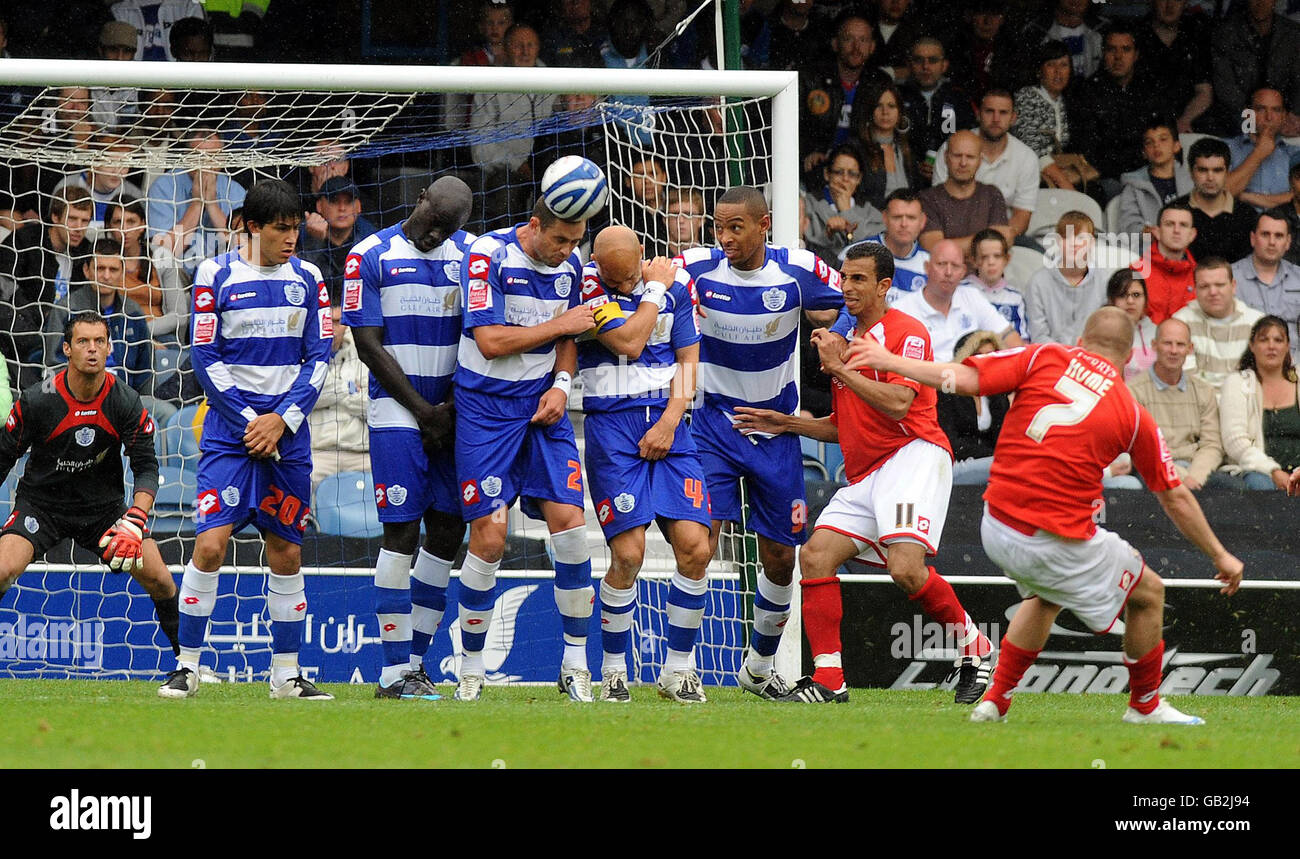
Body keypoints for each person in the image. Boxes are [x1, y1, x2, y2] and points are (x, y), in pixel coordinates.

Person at [844, 305, 1244, 725]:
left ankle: (994, 701)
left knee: (1047, 596)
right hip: (1052, 536)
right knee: (1149, 593)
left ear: (1082, 339)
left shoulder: (1045, 356)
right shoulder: (1133, 414)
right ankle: (1145, 706)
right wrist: (1220, 555)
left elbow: (966, 378)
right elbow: (1175, 498)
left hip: (996, 523)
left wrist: (890, 361)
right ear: (1129, 357)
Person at [730, 242, 995, 704]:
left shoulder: (905, 332)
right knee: (814, 556)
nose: (845, 287)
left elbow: (898, 404)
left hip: (913, 453)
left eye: (857, 279)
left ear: (884, 285)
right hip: (868, 469)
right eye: (843, 277)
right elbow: (845, 424)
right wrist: (787, 423)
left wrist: (838, 366)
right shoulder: (845, 335)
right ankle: (830, 681)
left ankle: (977, 650)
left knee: (906, 569)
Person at [159, 179, 333, 701]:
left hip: (289, 435)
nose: (292, 238)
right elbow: (205, 358)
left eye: (296, 228)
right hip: (232, 436)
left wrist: (282, 419)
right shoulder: (215, 274)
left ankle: (285, 677)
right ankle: (186, 666)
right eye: (281, 229)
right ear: (250, 227)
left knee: (285, 551)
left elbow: (318, 357)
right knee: (210, 545)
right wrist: (252, 421)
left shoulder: (310, 278)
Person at [675, 185, 845, 699]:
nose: (724, 238)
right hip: (712, 427)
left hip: (775, 430)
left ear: (764, 223)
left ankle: (757, 669)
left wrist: (839, 333)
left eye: (736, 227)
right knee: (700, 547)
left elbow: (861, 299)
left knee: (779, 558)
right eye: (718, 227)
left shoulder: (799, 271)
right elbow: (652, 283)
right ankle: (679, 670)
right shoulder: (695, 267)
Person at [452, 197, 597, 702]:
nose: (566, 251)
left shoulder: (574, 263)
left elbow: (572, 338)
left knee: (573, 530)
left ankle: (576, 664)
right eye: (559, 239)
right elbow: (489, 340)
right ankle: (471, 667)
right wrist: (562, 326)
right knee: (489, 540)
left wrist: (561, 384)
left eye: (576, 241)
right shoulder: (487, 254)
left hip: (542, 408)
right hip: (485, 410)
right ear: (534, 225)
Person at [342, 177, 474, 699]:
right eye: (431, 220)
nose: (434, 234)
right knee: (401, 533)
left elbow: (480, 336)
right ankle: (392, 670)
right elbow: (368, 345)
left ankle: (417, 666)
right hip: (398, 411)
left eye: (447, 229)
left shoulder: (469, 257)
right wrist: (424, 412)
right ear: (419, 200)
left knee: (447, 533)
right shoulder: (368, 255)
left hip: (456, 412)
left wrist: (453, 409)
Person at [0, 311, 180, 683]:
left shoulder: (125, 401)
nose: (92, 350)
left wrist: (135, 520)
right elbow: (3, 457)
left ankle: (191, 664)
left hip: (104, 513)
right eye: (83, 342)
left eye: (99, 341)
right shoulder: (38, 401)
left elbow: (147, 467)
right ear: (66, 348)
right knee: (2, 570)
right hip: (42, 507)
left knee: (161, 579)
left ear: (110, 348)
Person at [577, 226, 711, 703]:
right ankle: (614, 670)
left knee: (696, 548)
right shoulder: (589, 285)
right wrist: (653, 287)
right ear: (597, 264)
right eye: (617, 278)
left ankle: (678, 670)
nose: (624, 284)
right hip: (613, 429)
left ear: (641, 254)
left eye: (632, 274)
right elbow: (629, 344)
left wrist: (672, 421)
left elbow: (689, 361)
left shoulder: (677, 285)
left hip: (671, 426)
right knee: (629, 555)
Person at [470, 23, 556, 231]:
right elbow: (480, 146)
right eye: (518, 45)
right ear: (505, 48)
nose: (525, 51)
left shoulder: (556, 80)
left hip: (551, 168)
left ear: (538, 48)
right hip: (508, 173)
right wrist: (517, 164)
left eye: (530, 45)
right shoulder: (491, 85)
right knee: (504, 187)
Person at [1129, 317, 1231, 491]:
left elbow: (1212, 444)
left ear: (1190, 349)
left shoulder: (1203, 391)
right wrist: (1180, 477)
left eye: (1180, 345)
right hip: (1153, 470)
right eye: (1167, 343)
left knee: (1234, 487)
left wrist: (1194, 477)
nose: (1174, 351)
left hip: (1194, 470)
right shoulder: (1134, 391)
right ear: (1154, 345)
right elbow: (1141, 450)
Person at [43, 239, 152, 392]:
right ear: (87, 270)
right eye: (100, 268)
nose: (106, 276)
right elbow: (54, 365)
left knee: (165, 412)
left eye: (113, 269)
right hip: (82, 397)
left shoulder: (133, 312)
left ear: (122, 273)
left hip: (128, 401)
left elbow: (145, 372)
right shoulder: (66, 310)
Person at [932, 90, 1039, 245]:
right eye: (989, 111)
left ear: (1013, 118)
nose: (996, 119)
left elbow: (1022, 217)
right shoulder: (953, 148)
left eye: (1003, 113)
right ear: (978, 113)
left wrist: (993, 243)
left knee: (1039, 256)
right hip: (954, 234)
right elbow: (938, 204)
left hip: (1003, 237)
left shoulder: (1027, 157)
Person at [892, 238, 1023, 362]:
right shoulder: (901, 310)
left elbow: (1011, 340)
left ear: (963, 271)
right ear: (927, 268)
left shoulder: (972, 297)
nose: (948, 272)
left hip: (971, 381)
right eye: (942, 264)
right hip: (926, 381)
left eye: (955, 266)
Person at [1071, 23, 1163, 193]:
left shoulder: (1150, 89)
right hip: (1106, 177)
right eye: (1112, 49)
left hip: (1147, 173)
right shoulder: (1088, 91)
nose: (1118, 57)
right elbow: (1089, 150)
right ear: (1103, 53)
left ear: (1136, 55)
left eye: (1126, 49)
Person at [798, 10, 889, 181]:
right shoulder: (811, 78)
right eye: (848, 39)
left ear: (872, 47)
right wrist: (807, 153)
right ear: (835, 44)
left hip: (863, 170)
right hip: (817, 167)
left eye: (863, 40)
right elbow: (794, 126)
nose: (856, 47)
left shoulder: (880, 83)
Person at [146, 128, 247, 274]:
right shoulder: (163, 187)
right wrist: (197, 204)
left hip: (223, 272)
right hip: (177, 274)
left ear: (223, 159)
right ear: (186, 158)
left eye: (213, 157)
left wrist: (212, 204)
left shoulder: (236, 191)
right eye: (199, 157)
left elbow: (245, 251)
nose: (206, 164)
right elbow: (163, 254)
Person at [1219, 315, 1300, 490]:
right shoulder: (1237, 383)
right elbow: (1235, 441)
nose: (1271, 346)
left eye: (1278, 340)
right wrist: (1274, 471)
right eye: (1264, 340)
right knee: (1261, 485)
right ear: (1252, 346)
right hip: (1258, 472)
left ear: (1287, 346)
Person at [104, 194, 186, 344]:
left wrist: (141, 332)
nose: (124, 230)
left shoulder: (161, 256)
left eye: (131, 222)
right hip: (116, 337)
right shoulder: (102, 261)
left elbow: (179, 315)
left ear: (142, 225)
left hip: (160, 335)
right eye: (118, 222)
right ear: (108, 226)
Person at [1174, 258, 1265, 392]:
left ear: (1233, 286)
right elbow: (1184, 379)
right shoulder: (1181, 322)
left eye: (1220, 285)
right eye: (1204, 286)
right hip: (1199, 404)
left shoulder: (1257, 323)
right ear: (1195, 290)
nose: (1213, 292)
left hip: (1243, 403)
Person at [1211, 2, 1300, 138]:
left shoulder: (1293, 33)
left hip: (1286, 119)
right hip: (1240, 117)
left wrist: (1292, 115)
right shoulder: (1226, 33)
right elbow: (1226, 89)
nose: (1260, 3)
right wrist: (1255, 121)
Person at [918, 130, 1010, 256]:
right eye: (957, 155)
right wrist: (987, 241)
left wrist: (951, 244)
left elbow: (1005, 241)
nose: (963, 163)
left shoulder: (992, 194)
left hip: (984, 275)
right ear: (945, 157)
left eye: (970, 157)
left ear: (980, 160)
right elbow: (934, 248)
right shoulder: (927, 198)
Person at [308, 305, 369, 490]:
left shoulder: (366, 353)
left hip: (363, 455)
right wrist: (350, 391)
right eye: (327, 322)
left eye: (337, 322)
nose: (332, 329)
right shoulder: (301, 355)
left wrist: (330, 391)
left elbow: (374, 407)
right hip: (318, 455)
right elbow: (304, 398)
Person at [937, 329, 1008, 486]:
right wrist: (994, 456)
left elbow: (1004, 438)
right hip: (954, 465)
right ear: (965, 358)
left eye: (991, 355)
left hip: (991, 464)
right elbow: (950, 442)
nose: (985, 360)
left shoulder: (998, 394)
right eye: (979, 354)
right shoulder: (946, 392)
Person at [898, 38, 976, 183]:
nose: (925, 66)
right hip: (905, 181)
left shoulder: (959, 99)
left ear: (944, 65)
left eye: (933, 60)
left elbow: (971, 145)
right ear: (909, 64)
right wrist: (915, 165)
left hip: (949, 182)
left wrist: (942, 165)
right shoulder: (897, 97)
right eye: (918, 60)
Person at [1011, 41, 1085, 191]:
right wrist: (1066, 185)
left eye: (1064, 65)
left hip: (1056, 176)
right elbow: (1031, 148)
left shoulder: (1066, 101)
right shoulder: (1027, 97)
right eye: (1051, 65)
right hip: (1028, 179)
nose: (1058, 72)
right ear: (1039, 71)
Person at [1025, 211, 1108, 344]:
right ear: (1058, 241)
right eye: (1067, 238)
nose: (1074, 244)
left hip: (1090, 357)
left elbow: (1105, 332)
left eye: (1081, 238)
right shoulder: (1037, 283)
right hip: (1052, 358)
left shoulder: (1104, 281)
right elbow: (1038, 336)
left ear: (1092, 242)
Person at [1136, 0, 1214, 135]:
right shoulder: (1136, 36)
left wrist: (1184, 120)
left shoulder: (1195, 36)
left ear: (1185, 3)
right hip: (1143, 125)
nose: (1170, 5)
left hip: (1186, 125)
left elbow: (1204, 92)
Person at [297, 176, 377, 305]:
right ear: (319, 205)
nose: (342, 208)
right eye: (334, 201)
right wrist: (314, 242)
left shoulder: (371, 239)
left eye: (349, 201)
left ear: (358, 207)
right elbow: (302, 281)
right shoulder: (299, 234)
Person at [1232, 209, 1300, 360]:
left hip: (1294, 369)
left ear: (1288, 242)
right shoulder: (1229, 277)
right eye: (1265, 234)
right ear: (1253, 238)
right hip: (1245, 369)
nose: (1272, 242)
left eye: (1279, 236)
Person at [842, 187, 929, 304]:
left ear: (922, 221)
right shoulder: (854, 255)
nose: (904, 224)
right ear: (884, 218)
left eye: (911, 218)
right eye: (897, 217)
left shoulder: (932, 266)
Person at [1178, 137, 1255, 263]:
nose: (1210, 177)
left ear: (1227, 172)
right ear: (1191, 172)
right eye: (1203, 170)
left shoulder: (1247, 215)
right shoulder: (1174, 211)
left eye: (1217, 170)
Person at [802, 144, 884, 260]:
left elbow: (875, 247)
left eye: (852, 174)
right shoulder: (808, 203)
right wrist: (828, 234)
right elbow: (804, 245)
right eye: (839, 172)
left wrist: (847, 211)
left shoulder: (870, 211)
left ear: (859, 179)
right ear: (827, 174)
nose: (845, 178)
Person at [1116, 118, 1193, 237]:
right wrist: (1147, 233)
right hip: (1152, 249)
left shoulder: (1192, 180)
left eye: (1163, 139)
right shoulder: (1134, 186)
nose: (1156, 145)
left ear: (1176, 146)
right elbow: (1128, 225)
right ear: (1144, 153)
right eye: (1149, 142)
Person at [1225, 88, 1300, 209]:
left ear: (1284, 116)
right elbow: (1217, 195)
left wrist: (1246, 197)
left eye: (1276, 110)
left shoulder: (1295, 153)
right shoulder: (1227, 147)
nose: (1269, 117)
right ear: (1247, 114)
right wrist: (1259, 153)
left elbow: (1298, 197)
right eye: (1261, 109)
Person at [851, 81, 917, 210]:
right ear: (870, 111)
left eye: (891, 106)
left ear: (899, 113)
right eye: (878, 105)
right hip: (871, 223)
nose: (885, 112)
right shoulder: (856, 149)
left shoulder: (905, 149)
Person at [963, 228, 1027, 339]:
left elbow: (1023, 340)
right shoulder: (962, 292)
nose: (991, 262)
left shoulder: (1016, 298)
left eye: (997, 256)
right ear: (973, 260)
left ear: (1007, 259)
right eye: (984, 257)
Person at [1141, 201, 1198, 324]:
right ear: (1156, 232)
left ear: (1192, 235)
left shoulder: (1200, 276)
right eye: (1169, 224)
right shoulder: (1137, 273)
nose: (1176, 230)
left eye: (1183, 225)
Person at [1107, 269, 1156, 380]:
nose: (1130, 301)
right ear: (1111, 300)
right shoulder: (1100, 332)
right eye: (1122, 295)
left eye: (1136, 295)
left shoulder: (1157, 332)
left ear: (1145, 299)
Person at [663, 187, 706, 256]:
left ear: (701, 220)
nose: (681, 220)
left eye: (688, 214)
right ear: (665, 220)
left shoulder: (712, 259)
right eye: (675, 214)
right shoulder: (653, 258)